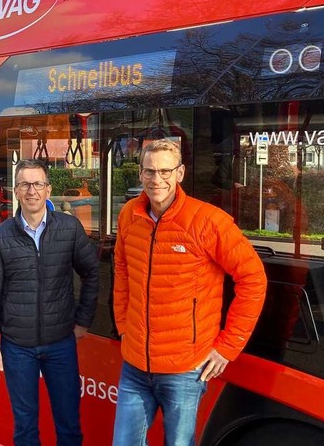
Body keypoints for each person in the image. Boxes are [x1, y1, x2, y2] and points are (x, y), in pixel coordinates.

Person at [112, 139, 267, 446]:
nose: (158, 179)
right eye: (150, 171)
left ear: (180, 173)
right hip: (134, 366)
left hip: (184, 369)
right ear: (140, 174)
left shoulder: (208, 221)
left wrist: (227, 347)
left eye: (166, 171)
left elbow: (253, 279)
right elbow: (122, 272)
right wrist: (123, 327)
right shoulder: (130, 214)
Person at [0, 159, 99, 446]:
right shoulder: (0, 237)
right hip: (17, 346)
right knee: (25, 427)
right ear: (15, 191)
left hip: (60, 344)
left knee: (69, 423)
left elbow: (92, 273)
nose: (32, 191)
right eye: (25, 184)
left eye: (38, 184)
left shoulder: (69, 228)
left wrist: (83, 320)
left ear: (48, 190)